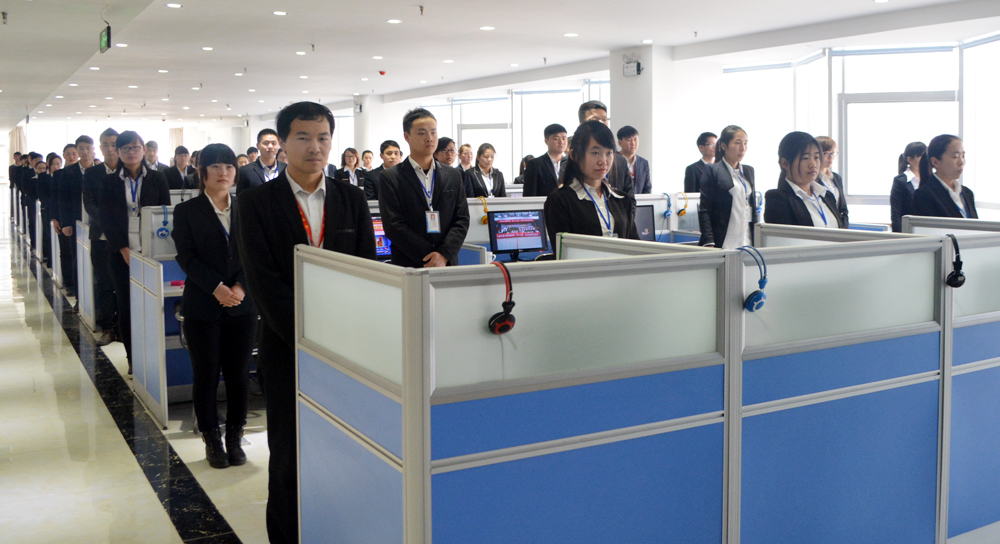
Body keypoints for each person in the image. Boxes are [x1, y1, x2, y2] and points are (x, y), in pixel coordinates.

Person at [237, 102, 376, 544]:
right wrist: (311, 339)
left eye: (322, 137)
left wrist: (345, 337)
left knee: (344, 451)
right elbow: (264, 284)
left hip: (346, 352)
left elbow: (367, 273)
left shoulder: (352, 199)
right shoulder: (256, 203)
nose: (315, 147)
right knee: (289, 455)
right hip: (286, 350)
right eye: (303, 138)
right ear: (282, 143)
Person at [172, 143, 257, 469]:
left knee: (238, 375)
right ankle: (211, 439)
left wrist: (239, 287)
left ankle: (234, 437)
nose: (224, 173)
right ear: (202, 171)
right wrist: (217, 288)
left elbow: (256, 254)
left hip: (241, 305)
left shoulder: (247, 208)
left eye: (230, 167)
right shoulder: (187, 211)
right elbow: (187, 257)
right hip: (203, 306)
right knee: (206, 375)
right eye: (216, 167)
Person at [99, 131, 171, 376]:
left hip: (151, 251)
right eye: (126, 148)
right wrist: (123, 249)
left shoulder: (158, 178)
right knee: (127, 306)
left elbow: (165, 213)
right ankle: (133, 359)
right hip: (120, 252)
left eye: (136, 147)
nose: (131, 152)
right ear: (118, 152)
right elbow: (106, 219)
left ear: (143, 150)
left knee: (152, 305)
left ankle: (153, 357)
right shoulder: (109, 181)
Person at [378, 108, 470, 268]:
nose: (429, 138)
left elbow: (461, 219)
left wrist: (443, 254)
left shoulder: (453, 175)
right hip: (410, 263)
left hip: (446, 263)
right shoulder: (390, 177)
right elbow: (394, 225)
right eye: (422, 133)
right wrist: (429, 257)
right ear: (407, 137)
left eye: (433, 132)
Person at [544, 121, 638, 249]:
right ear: (574, 155)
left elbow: (635, 246)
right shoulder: (560, 201)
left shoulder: (621, 200)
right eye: (595, 153)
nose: (603, 161)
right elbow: (564, 252)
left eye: (609, 153)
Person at [763, 132, 844, 229]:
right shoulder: (778, 199)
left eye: (816, 157)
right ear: (785, 164)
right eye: (805, 158)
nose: (813, 164)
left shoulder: (826, 195)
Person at [698, 125, 758, 248]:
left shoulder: (748, 171)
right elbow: (705, 210)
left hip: (747, 241)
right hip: (724, 241)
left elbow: (753, 208)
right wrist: (709, 241)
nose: (743, 148)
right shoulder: (713, 170)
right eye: (738, 143)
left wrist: (758, 237)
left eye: (745, 143)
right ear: (724, 146)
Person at [56, 137, 95, 302]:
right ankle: (80, 299)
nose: (85, 151)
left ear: (93, 149)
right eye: (81, 148)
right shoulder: (68, 172)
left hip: (96, 222)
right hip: (75, 222)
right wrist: (65, 223)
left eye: (88, 148)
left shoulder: (100, 170)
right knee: (77, 259)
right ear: (77, 151)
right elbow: (63, 199)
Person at [578, 101, 634, 199]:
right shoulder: (574, 159)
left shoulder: (620, 161)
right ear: (581, 125)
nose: (601, 123)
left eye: (604, 119)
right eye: (595, 120)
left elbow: (630, 199)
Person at [912, 134, 976, 219]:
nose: (961, 162)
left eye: (963, 156)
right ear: (935, 162)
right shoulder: (924, 195)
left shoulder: (967, 193)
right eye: (955, 157)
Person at [522, 124, 568, 197]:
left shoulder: (572, 163)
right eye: (556, 139)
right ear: (546, 141)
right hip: (543, 204)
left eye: (564, 138)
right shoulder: (535, 164)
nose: (561, 142)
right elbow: (529, 194)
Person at [889, 142, 926, 232]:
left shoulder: (929, 179)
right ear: (910, 160)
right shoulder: (901, 181)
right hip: (908, 231)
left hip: (926, 230)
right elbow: (896, 214)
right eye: (921, 156)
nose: (925, 160)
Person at [237, 129, 286, 194]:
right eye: (266, 143)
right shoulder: (245, 171)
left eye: (273, 143)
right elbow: (240, 197)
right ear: (258, 146)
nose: (270, 146)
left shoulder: (286, 168)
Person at [815, 136, 849, 228]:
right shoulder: (812, 179)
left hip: (839, 228)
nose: (830, 157)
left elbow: (843, 209)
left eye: (832, 153)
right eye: (826, 153)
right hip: (823, 227)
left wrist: (845, 230)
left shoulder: (836, 178)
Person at [617, 125, 651, 194]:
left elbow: (647, 188)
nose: (633, 143)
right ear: (620, 143)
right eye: (629, 140)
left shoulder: (643, 163)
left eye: (635, 139)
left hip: (639, 200)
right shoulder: (613, 161)